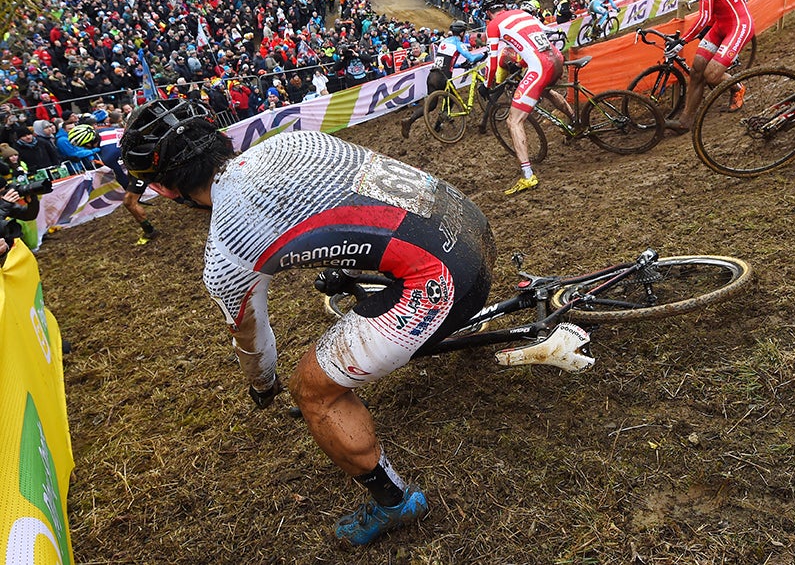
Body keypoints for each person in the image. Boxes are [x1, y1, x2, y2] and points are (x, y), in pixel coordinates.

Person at [120, 98, 497, 547]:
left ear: (164, 190)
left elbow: (252, 341)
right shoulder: (292, 141)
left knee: (310, 389)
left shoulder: (225, 248)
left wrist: (264, 386)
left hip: (443, 280)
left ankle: (393, 503)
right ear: (220, 136)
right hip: (468, 221)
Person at [482, 0, 573, 195]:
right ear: (504, 6)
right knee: (546, 91)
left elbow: (493, 61)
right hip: (556, 58)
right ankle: (575, 121)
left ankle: (527, 175)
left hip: (540, 67)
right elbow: (536, 41)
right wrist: (521, 63)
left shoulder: (493, 25)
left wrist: (487, 85)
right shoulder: (523, 13)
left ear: (488, 13)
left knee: (513, 121)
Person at [662, 0, 754, 132]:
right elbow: (711, 14)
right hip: (721, 25)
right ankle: (685, 122)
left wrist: (682, 41)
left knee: (711, 75)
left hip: (738, 25)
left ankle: (738, 88)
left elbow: (704, 17)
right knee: (696, 70)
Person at [401, 20, 484, 138]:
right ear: (461, 33)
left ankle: (410, 120)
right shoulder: (458, 43)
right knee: (452, 98)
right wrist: (484, 54)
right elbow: (471, 57)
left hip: (432, 76)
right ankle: (440, 122)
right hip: (443, 77)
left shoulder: (444, 42)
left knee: (431, 105)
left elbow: (446, 62)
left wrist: (460, 65)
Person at [97, 110, 155, 245]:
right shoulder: (104, 131)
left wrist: (129, 190)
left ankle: (149, 230)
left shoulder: (107, 156)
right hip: (148, 149)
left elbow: (122, 177)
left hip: (144, 163)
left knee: (129, 202)